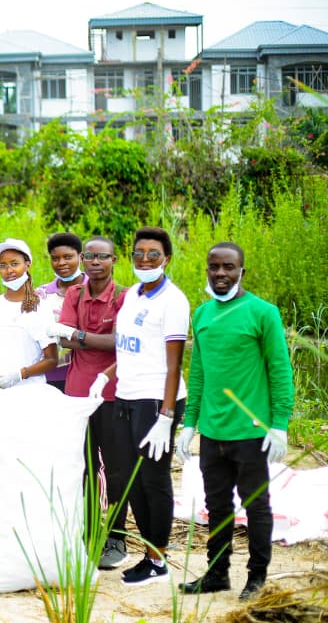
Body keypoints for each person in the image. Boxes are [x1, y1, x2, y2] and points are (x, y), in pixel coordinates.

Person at [177, 242, 294, 601]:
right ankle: (216, 574)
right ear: (208, 270)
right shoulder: (202, 315)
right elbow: (198, 373)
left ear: (242, 270)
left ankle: (257, 577)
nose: (221, 274)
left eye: (229, 267)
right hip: (212, 431)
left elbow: (279, 369)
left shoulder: (263, 313)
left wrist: (279, 424)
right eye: (214, 267)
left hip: (251, 431)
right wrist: (189, 423)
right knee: (217, 505)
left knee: (256, 505)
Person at [94, 226, 189, 586]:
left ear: (167, 258)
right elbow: (129, 346)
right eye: (138, 253)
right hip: (126, 396)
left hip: (155, 400)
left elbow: (174, 364)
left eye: (153, 254)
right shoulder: (132, 294)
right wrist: (107, 376)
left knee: (154, 478)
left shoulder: (173, 301)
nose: (145, 260)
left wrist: (166, 416)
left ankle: (158, 560)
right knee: (132, 478)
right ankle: (149, 552)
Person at [48, 236, 129, 569]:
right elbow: (62, 336)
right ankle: (88, 533)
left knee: (118, 467)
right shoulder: (74, 293)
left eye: (103, 257)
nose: (96, 262)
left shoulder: (125, 297)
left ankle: (117, 537)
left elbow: (123, 343)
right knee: (83, 467)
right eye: (90, 256)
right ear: (83, 259)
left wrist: (81, 337)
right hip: (77, 393)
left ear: (114, 260)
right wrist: (89, 339)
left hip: (112, 392)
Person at [0, 239, 58, 390]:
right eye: (3, 266)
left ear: (27, 265)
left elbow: (52, 359)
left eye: (15, 264)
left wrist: (21, 374)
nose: (9, 271)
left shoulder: (40, 307)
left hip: (30, 392)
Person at [37, 233, 84, 392]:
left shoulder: (95, 290)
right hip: (50, 376)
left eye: (68, 257)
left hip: (85, 373)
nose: (62, 263)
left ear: (80, 257)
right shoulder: (41, 294)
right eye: (55, 258)